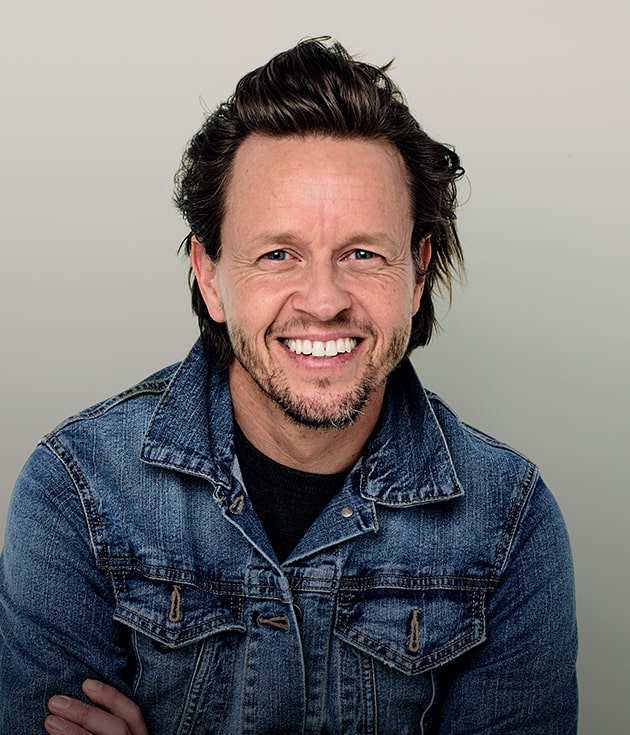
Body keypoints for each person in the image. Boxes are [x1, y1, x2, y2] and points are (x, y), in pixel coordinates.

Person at [0, 38, 578, 734]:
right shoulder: (77, 490)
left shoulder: (511, 522)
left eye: (362, 253)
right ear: (211, 276)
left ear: (417, 274)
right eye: (278, 254)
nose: (324, 300)